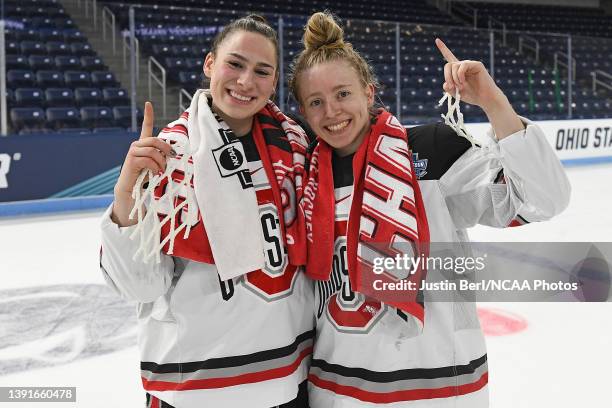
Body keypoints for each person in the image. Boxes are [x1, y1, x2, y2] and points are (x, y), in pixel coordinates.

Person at [289, 11, 571, 408]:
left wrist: (493, 102)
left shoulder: (430, 153)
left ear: (369, 92)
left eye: (343, 94)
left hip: (437, 392)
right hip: (338, 392)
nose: (332, 111)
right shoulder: (301, 178)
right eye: (316, 101)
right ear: (302, 110)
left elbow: (542, 199)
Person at [100, 15, 313, 408]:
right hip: (195, 388)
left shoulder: (299, 146)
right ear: (210, 64)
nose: (246, 81)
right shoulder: (170, 155)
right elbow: (141, 287)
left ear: (274, 81)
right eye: (235, 64)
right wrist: (126, 192)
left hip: (286, 379)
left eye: (261, 71)